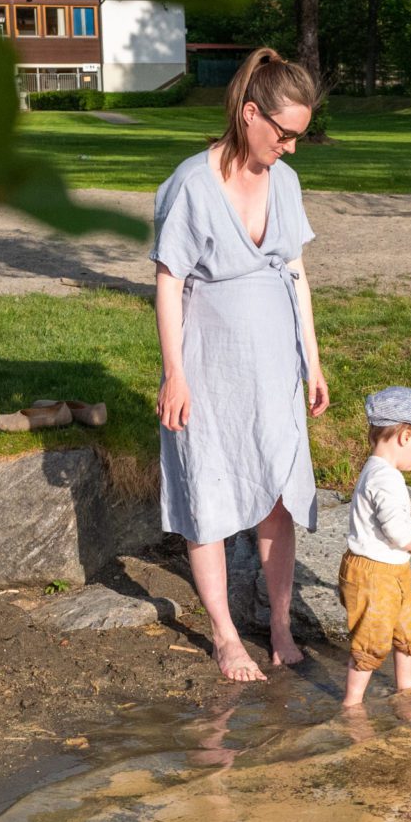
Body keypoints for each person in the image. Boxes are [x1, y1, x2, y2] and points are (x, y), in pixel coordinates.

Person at [151, 47, 326, 682]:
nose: (291, 148)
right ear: (250, 114)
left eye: (298, 136)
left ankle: (278, 624)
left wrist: (313, 359)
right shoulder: (192, 185)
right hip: (210, 363)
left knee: (279, 493)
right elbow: (169, 283)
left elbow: (297, 272)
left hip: (275, 363)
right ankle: (225, 635)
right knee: (211, 493)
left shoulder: (286, 181)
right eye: (285, 134)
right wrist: (175, 373)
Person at [340, 388, 411, 708]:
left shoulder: (383, 472)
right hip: (373, 574)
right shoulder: (385, 478)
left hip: (391, 569)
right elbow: (393, 529)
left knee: (409, 627)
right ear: (405, 436)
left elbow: (391, 521)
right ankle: (352, 704)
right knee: (372, 639)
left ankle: (407, 685)